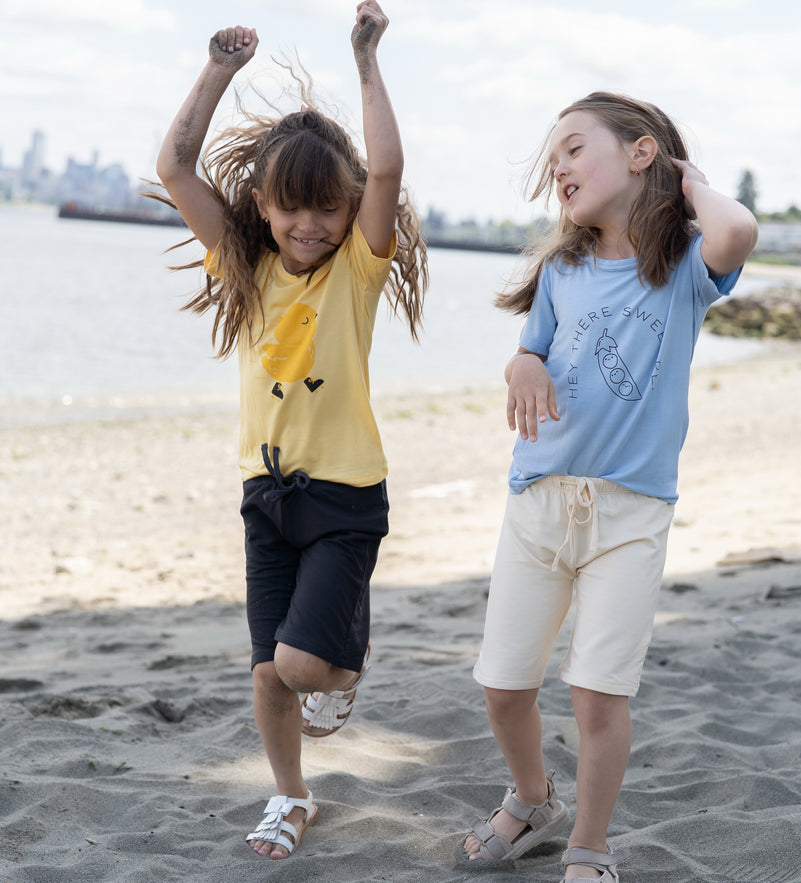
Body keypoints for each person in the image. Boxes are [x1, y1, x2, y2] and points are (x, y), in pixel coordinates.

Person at [152, 1, 427, 861]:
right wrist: (217, 71)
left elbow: (385, 168)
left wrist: (366, 58)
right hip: (265, 495)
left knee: (307, 667)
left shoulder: (354, 274)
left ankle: (345, 651)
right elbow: (174, 166)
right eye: (291, 210)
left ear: (347, 214)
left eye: (327, 211)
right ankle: (289, 796)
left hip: (345, 495)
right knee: (270, 668)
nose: (309, 226)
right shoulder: (244, 266)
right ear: (264, 206)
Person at [463, 92, 757, 882]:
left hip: (629, 512)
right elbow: (532, 351)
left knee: (598, 696)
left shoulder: (687, 270)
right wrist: (522, 363)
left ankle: (589, 845)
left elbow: (738, 231)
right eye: (552, 156)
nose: (558, 165)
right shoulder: (562, 269)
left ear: (640, 154)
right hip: (539, 500)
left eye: (573, 147)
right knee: (502, 684)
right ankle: (533, 796)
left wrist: (688, 179)